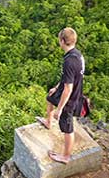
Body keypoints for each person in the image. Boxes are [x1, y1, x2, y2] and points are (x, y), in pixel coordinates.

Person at [36, 27, 85, 164]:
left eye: (59, 40)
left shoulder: (69, 61)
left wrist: (60, 109)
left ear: (62, 41)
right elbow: (69, 78)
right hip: (67, 91)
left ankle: (66, 156)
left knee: (67, 128)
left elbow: (68, 89)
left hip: (70, 98)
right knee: (50, 97)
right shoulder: (77, 55)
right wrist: (57, 87)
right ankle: (48, 122)